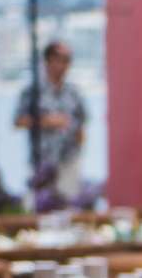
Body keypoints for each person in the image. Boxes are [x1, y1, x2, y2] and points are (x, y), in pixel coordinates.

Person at [14, 38, 88, 199]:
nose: (62, 65)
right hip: (41, 160)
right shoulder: (32, 91)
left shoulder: (74, 92)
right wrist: (46, 121)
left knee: (69, 206)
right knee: (39, 205)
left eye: (66, 60)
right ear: (47, 61)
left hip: (69, 160)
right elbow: (18, 121)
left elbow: (82, 124)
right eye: (58, 60)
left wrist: (79, 151)